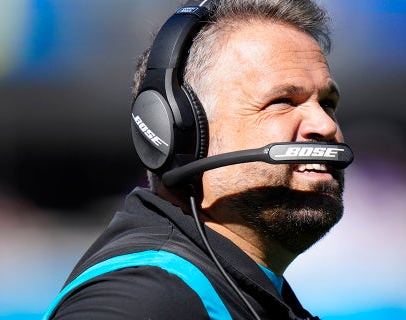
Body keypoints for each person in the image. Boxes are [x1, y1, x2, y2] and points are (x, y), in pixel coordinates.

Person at [44, 0, 351, 319]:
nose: (327, 126)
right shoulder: (143, 295)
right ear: (179, 132)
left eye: (327, 104)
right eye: (283, 101)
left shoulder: (236, 289)